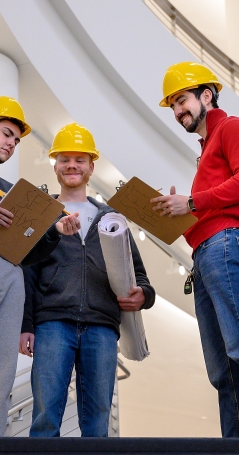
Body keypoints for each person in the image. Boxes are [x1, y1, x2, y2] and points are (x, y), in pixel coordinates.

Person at [152, 61, 239, 438]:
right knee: (222, 369)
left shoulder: (233, 128)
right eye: (174, 106)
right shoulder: (207, 148)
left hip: (229, 244)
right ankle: (238, 442)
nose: (178, 112)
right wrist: (179, 212)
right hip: (209, 251)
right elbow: (215, 201)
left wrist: (191, 203)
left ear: (206, 95)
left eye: (182, 101)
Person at [0, 97, 81, 437]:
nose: (11, 143)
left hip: (10, 272)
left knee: (1, 371)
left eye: (16, 140)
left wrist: (54, 234)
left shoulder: (12, 190)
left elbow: (27, 253)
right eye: (7, 133)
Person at [19, 122, 155, 437]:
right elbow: (27, 271)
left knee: (97, 425)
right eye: (64, 159)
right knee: (45, 420)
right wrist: (26, 325)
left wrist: (144, 296)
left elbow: (142, 278)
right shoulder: (41, 214)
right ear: (54, 165)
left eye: (80, 159)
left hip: (102, 329)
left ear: (91, 166)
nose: (72, 165)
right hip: (52, 324)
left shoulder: (111, 218)